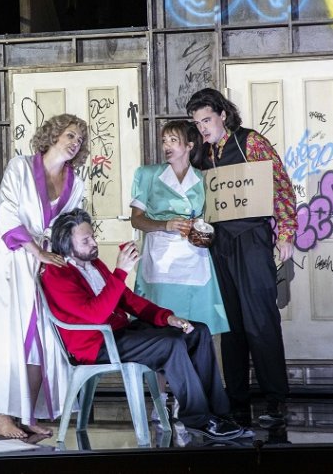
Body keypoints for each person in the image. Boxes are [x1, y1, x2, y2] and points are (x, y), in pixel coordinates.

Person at [42, 209, 244, 441]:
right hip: (95, 344)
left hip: (120, 331)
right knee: (170, 344)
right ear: (67, 244)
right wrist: (120, 272)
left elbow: (128, 300)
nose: (94, 243)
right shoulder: (57, 274)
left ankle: (219, 413)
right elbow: (94, 315)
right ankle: (198, 419)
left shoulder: (93, 263)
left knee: (197, 331)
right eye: (85, 240)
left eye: (93, 237)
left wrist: (167, 317)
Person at [0, 113, 89, 439]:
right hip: (9, 258)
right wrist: (37, 251)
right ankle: (3, 418)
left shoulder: (75, 182)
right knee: (10, 337)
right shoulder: (20, 167)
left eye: (79, 139)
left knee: (42, 340)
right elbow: (6, 213)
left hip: (43, 264)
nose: (75, 143)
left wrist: (77, 252)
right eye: (70, 135)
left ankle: (28, 413)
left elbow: (70, 225)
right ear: (54, 134)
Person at [186, 88, 296, 429]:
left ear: (222, 114)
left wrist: (286, 233)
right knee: (229, 325)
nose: (203, 128)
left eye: (207, 119)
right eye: (197, 123)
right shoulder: (201, 154)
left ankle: (276, 399)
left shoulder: (251, 142)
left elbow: (281, 186)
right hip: (218, 246)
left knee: (260, 320)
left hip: (251, 239)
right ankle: (236, 401)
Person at [130, 120, 228, 335]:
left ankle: (196, 368)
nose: (167, 146)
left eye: (174, 140)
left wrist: (200, 227)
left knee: (197, 326)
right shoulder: (147, 175)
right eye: (164, 141)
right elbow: (136, 219)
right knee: (158, 326)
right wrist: (166, 224)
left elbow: (213, 219)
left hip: (194, 258)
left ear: (190, 145)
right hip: (160, 259)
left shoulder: (205, 179)